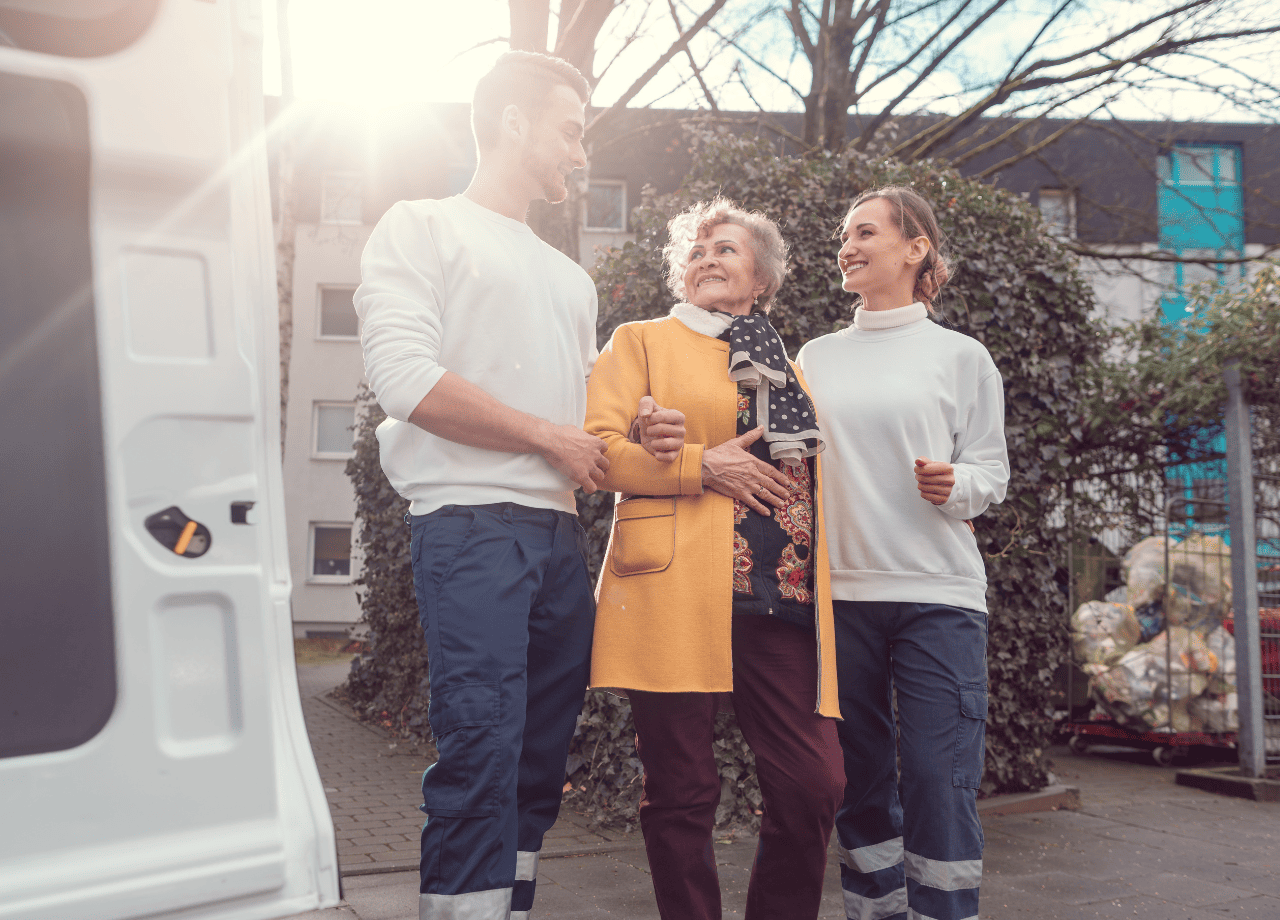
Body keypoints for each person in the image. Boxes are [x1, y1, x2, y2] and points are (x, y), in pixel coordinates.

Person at [354, 51, 683, 920]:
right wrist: (548, 435)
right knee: (482, 751)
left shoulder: (572, 280)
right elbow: (405, 380)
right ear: (512, 121)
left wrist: (634, 430)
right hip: (467, 526)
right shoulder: (420, 225)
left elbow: (585, 426)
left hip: (556, 540)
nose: (581, 153)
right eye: (572, 131)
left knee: (539, 761)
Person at [584, 198, 845, 920]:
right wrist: (698, 466)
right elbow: (596, 453)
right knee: (681, 790)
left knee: (814, 784)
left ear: (760, 278)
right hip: (672, 589)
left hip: (780, 599)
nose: (705, 257)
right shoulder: (639, 341)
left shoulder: (787, 367)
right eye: (696, 249)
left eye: (725, 249)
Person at [796, 186, 1009, 920]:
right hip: (840, 596)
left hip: (938, 595)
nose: (847, 246)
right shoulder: (813, 358)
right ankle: (875, 912)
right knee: (856, 779)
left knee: (934, 773)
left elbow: (992, 473)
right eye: (842, 236)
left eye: (865, 232)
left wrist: (958, 485)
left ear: (915, 248)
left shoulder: (961, 357)